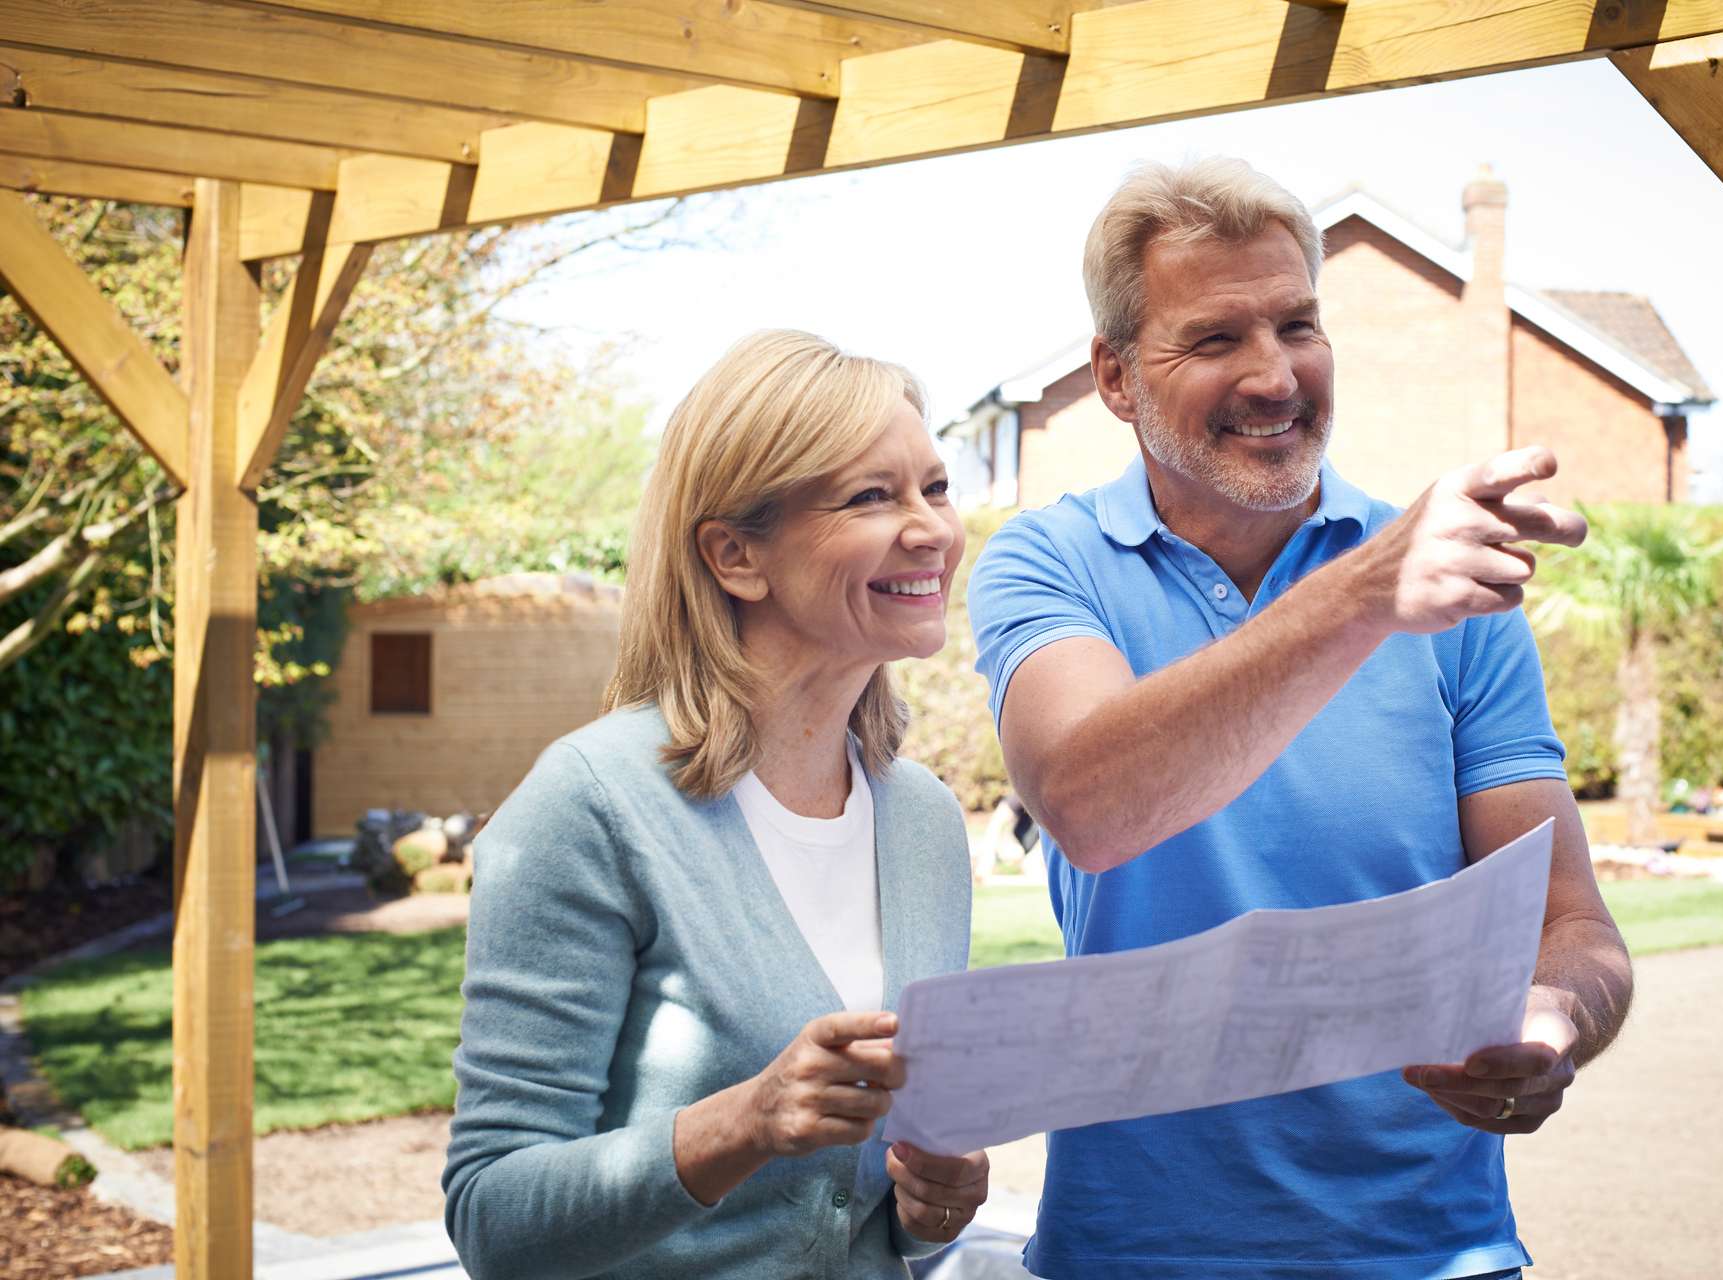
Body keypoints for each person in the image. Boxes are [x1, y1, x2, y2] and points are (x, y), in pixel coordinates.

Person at [968, 159, 1634, 1279]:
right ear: (1118, 378)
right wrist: (1369, 588)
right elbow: (1088, 801)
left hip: (1433, 1251)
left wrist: (1551, 1017)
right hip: (1133, 1253)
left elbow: (1574, 924)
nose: (1276, 375)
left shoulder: (1452, 585)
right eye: (1216, 338)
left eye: (1298, 324)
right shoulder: (1050, 560)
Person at [444, 330, 991, 1279]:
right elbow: (492, 1217)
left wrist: (927, 1203)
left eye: (935, 488)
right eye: (872, 496)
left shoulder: (925, 824)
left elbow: (860, 1210)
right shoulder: (590, 806)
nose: (933, 529)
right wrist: (745, 1120)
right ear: (736, 555)